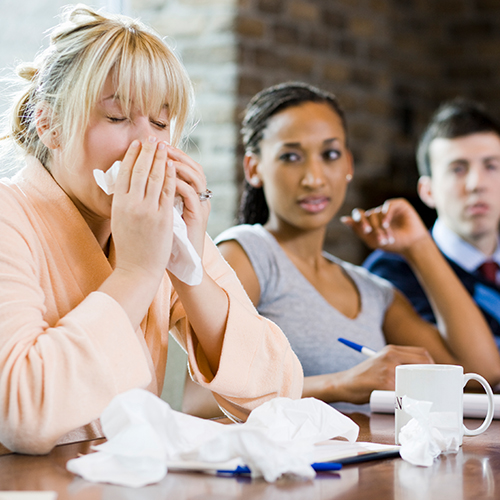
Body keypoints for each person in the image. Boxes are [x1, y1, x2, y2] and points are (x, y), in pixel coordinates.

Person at [0, 6, 303, 455]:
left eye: (161, 123)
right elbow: (22, 413)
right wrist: (138, 272)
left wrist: (188, 260)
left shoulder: (159, 226)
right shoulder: (10, 215)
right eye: (118, 117)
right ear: (49, 126)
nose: (147, 145)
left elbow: (278, 392)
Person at [205, 82, 500, 412]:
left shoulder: (372, 290)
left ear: (348, 165)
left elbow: (479, 375)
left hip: (371, 463)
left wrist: (419, 246)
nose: (314, 178)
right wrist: (341, 384)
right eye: (290, 157)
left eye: (329, 155)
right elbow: (200, 401)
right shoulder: (247, 254)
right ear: (254, 168)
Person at [364, 99, 500, 349]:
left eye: (491, 166)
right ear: (427, 191)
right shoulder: (392, 272)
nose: (476, 184)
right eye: (458, 169)